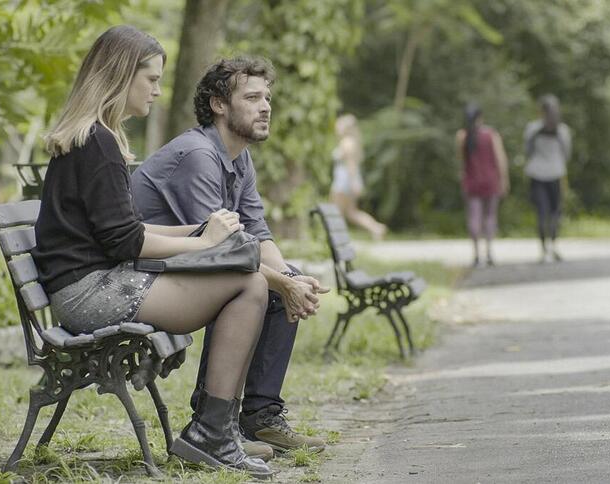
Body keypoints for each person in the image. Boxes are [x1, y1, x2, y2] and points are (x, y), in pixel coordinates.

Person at [30, 26, 272, 479]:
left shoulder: (96, 137)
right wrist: (202, 242)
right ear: (121, 76)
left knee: (248, 278)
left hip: (94, 282)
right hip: (89, 294)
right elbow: (126, 241)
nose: (158, 91)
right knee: (249, 284)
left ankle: (214, 432)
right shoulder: (97, 141)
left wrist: (202, 231)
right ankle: (211, 435)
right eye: (151, 79)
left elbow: (123, 230)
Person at [131, 57, 328, 457]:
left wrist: (291, 276)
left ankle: (257, 418)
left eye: (267, 97)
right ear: (219, 104)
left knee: (280, 280)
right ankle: (215, 423)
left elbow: (257, 234)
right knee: (261, 285)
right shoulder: (199, 156)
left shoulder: (239, 157)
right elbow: (221, 251)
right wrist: (285, 283)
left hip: (184, 268)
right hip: (143, 273)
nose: (266, 106)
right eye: (252, 97)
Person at [455, 104, 510, 266]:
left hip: (472, 182)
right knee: (490, 216)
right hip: (491, 181)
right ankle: (489, 251)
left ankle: (476, 254)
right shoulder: (491, 134)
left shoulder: (462, 136)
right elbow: (500, 159)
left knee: (474, 217)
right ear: (480, 117)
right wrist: (504, 180)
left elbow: (461, 162)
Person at [523, 94, 571, 263]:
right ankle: (549, 248)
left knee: (548, 213)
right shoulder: (537, 129)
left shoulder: (559, 130)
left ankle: (548, 248)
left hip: (547, 174)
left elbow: (527, 152)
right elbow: (566, 154)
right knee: (550, 213)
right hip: (548, 174)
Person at [330, 113, 387, 240]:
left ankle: (336, 238)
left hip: (343, 180)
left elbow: (350, 165)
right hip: (348, 180)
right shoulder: (352, 142)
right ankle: (376, 228)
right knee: (351, 212)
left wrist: (353, 182)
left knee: (335, 212)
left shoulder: (346, 143)